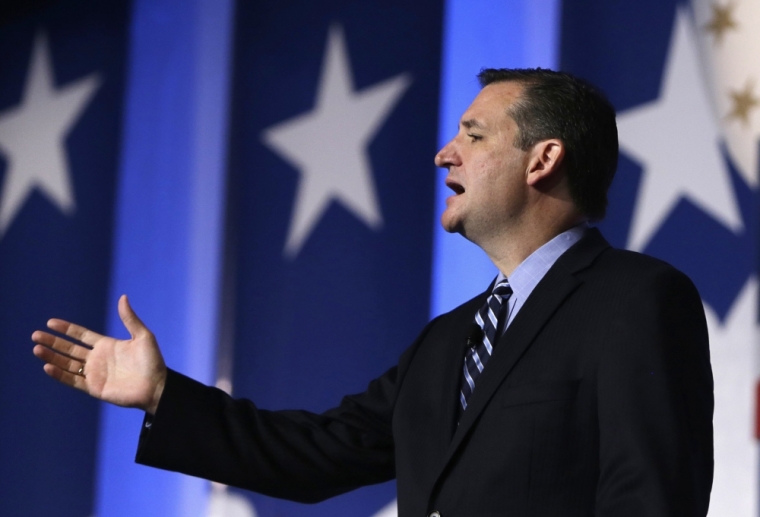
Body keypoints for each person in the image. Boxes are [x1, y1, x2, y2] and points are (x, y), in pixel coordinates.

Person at [32, 68, 713, 517]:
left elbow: (649, 500)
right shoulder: (448, 340)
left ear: (543, 158)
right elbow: (318, 451)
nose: (445, 153)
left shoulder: (637, 299)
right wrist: (162, 395)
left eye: (473, 135)